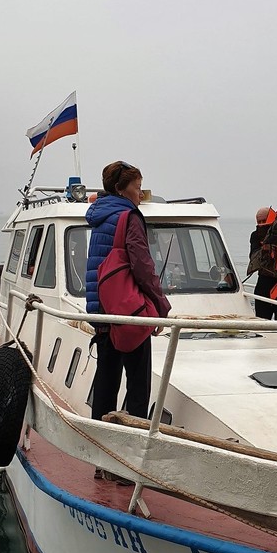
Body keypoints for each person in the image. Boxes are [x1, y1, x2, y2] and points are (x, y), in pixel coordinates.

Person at [85, 161, 171, 466]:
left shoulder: (99, 216)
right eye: (137, 185)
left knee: (106, 384)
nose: (140, 192)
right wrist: (159, 306)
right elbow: (142, 266)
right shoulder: (129, 216)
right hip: (128, 313)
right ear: (122, 188)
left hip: (102, 311)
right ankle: (130, 460)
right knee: (138, 387)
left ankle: (101, 455)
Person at [248, 207, 277, 319]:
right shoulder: (255, 235)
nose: (261, 224)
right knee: (261, 320)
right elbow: (253, 259)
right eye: (259, 221)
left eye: (264, 220)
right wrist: (264, 250)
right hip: (264, 281)